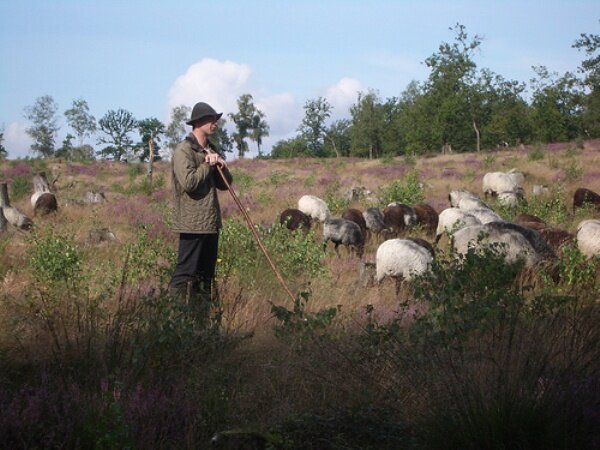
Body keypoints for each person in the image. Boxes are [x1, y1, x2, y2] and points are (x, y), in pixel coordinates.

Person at [169, 101, 233, 305]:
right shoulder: (184, 150)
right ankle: (172, 318)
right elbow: (189, 183)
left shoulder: (210, 149)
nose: (215, 123)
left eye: (216, 119)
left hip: (211, 224)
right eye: (211, 119)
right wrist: (207, 165)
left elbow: (225, 185)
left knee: (206, 277)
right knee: (185, 274)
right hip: (192, 223)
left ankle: (200, 322)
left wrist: (221, 168)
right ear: (198, 123)